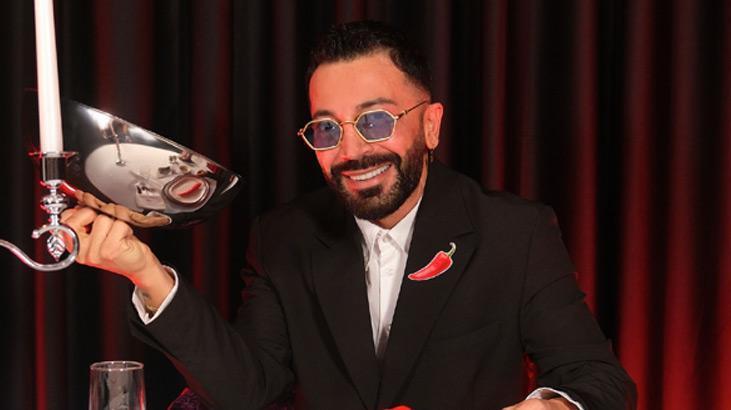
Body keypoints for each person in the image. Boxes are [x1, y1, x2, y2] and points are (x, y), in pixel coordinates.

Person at [62, 21, 636, 410]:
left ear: (430, 124)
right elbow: (249, 391)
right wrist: (144, 271)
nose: (351, 151)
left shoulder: (514, 232)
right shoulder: (282, 237)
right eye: (327, 128)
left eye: (376, 120)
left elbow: (600, 381)